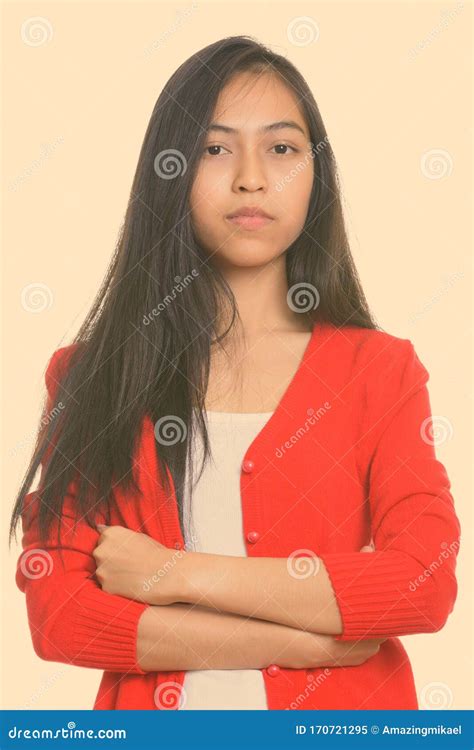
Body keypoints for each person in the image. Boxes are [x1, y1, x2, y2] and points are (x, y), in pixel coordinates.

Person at [9, 35, 461, 711]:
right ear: (172, 171)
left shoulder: (380, 371)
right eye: (214, 148)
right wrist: (299, 643)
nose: (251, 176)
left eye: (282, 148)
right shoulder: (92, 373)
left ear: (317, 174)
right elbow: (60, 615)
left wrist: (170, 575)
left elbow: (422, 583)